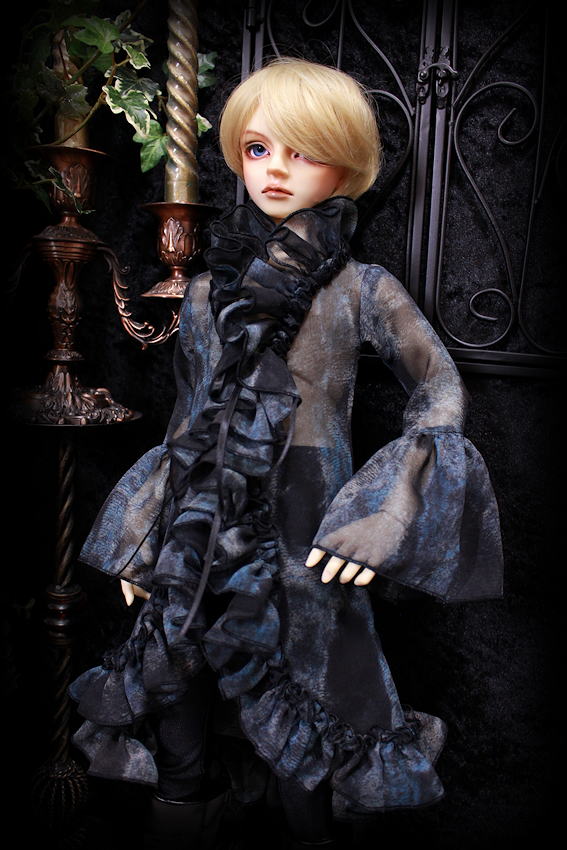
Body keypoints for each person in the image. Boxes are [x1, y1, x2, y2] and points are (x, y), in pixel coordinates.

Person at [69, 58, 503, 848]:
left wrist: (383, 512)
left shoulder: (362, 287)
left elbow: (438, 389)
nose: (275, 170)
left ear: (347, 165)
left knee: (306, 730)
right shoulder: (208, 291)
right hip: (199, 531)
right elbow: (186, 422)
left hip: (306, 529)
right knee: (179, 714)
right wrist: (146, 534)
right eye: (259, 148)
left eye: (303, 152)